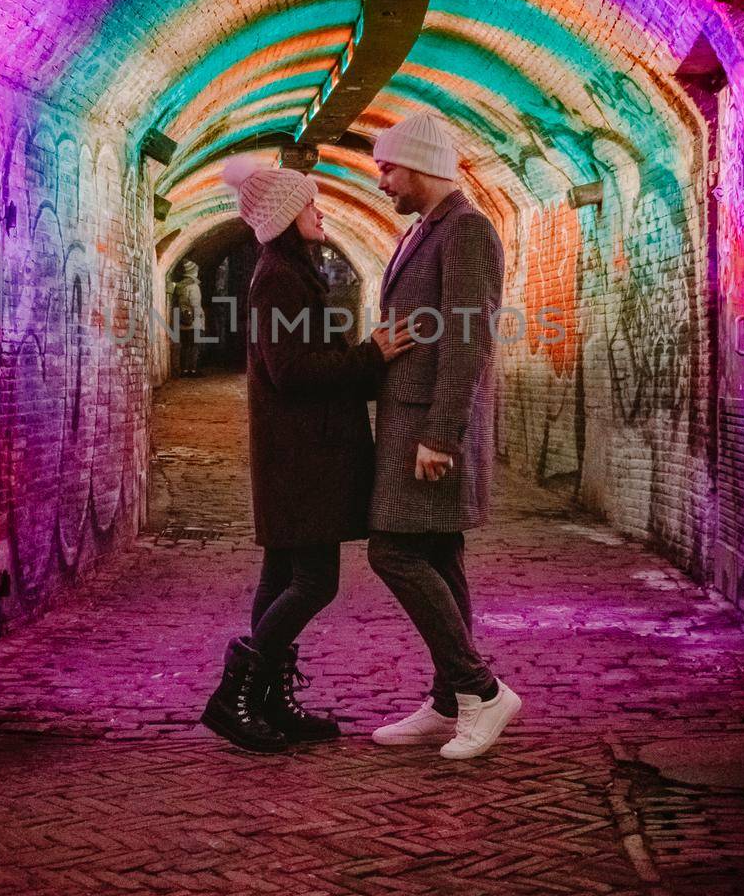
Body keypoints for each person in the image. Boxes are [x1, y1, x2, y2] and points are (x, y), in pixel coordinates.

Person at [201, 156, 413, 753]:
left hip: (297, 454)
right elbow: (290, 371)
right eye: (311, 203)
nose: (320, 212)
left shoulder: (292, 271)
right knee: (314, 581)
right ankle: (235, 696)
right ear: (287, 214)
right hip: (303, 459)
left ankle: (266, 700)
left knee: (282, 574)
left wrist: (366, 364)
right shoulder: (278, 277)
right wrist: (370, 356)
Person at [367, 110, 522, 761]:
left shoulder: (466, 231)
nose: (381, 182)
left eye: (387, 168)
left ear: (423, 164)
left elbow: (468, 339)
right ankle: (443, 701)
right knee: (435, 554)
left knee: (392, 552)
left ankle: (479, 691)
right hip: (409, 419)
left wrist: (441, 435)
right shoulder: (420, 233)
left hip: (429, 428)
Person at [171, 259, 204, 377]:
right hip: (193, 322)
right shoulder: (193, 287)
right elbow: (195, 304)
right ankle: (193, 370)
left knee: (185, 346)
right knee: (194, 346)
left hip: (182, 321)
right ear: (193, 272)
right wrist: (197, 318)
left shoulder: (180, 286)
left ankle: (184, 370)